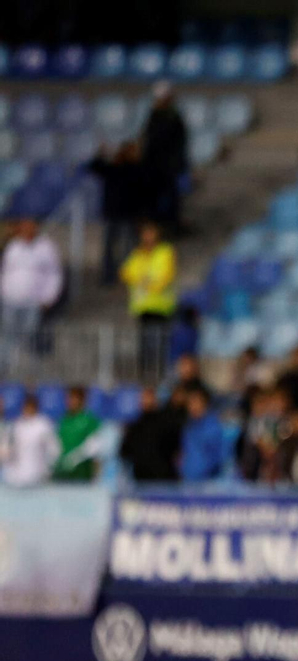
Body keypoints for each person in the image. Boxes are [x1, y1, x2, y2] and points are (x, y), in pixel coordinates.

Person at [0, 216, 63, 364]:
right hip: (10, 301)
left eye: (30, 226)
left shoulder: (45, 247)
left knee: (31, 337)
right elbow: (5, 271)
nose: (26, 229)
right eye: (24, 226)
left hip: (33, 302)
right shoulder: (13, 246)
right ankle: (4, 372)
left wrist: (49, 298)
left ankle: (30, 374)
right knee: (8, 336)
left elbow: (54, 274)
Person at [120, 222, 177, 374]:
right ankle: (145, 371)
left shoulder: (165, 251)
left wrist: (145, 282)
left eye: (151, 232)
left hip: (161, 305)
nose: (148, 236)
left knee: (160, 341)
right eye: (145, 232)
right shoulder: (138, 253)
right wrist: (146, 280)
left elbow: (165, 276)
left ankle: (161, 371)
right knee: (145, 341)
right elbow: (126, 273)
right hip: (143, 305)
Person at [88, 141, 147, 285]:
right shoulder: (114, 168)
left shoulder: (136, 169)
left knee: (128, 248)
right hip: (113, 214)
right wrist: (101, 155)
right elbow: (94, 167)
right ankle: (109, 277)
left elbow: (142, 193)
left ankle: (129, 277)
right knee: (110, 248)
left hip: (128, 215)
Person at [140, 82, 188, 225]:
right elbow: (149, 139)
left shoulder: (173, 117)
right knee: (153, 198)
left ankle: (170, 223)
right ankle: (153, 222)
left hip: (169, 166)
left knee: (170, 196)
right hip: (153, 166)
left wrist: (178, 164)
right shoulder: (153, 115)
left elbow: (179, 142)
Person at [118, 385, 180, 482]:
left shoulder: (166, 423)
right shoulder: (135, 425)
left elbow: (176, 448)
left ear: (155, 399)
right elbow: (125, 451)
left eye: (149, 397)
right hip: (141, 480)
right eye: (143, 398)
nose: (146, 401)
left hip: (163, 480)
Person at [0, 393, 59, 486]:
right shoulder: (16, 425)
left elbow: (54, 450)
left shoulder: (43, 425)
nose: (28, 410)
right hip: (16, 478)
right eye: (26, 407)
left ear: (36, 407)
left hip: (37, 476)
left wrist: (48, 470)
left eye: (31, 407)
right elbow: (6, 450)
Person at [53, 386, 101, 482]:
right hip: (63, 473)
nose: (70, 401)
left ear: (81, 400)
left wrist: (75, 457)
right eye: (68, 398)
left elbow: (93, 446)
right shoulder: (64, 420)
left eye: (73, 398)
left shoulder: (89, 419)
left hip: (82, 473)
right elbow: (57, 442)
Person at [179, 390, 228, 482]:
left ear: (204, 404)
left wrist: (206, 474)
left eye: (195, 402)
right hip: (187, 481)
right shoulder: (188, 427)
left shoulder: (214, 428)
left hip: (207, 483)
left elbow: (219, 457)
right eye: (190, 403)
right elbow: (184, 453)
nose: (192, 407)